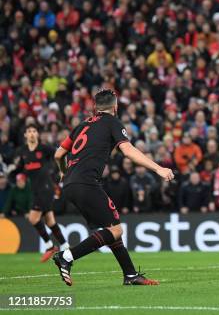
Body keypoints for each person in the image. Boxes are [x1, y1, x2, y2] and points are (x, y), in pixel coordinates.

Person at [53, 89, 174, 286]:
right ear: (115, 106)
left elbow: (59, 154)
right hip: (86, 182)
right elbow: (128, 151)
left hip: (70, 184)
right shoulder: (112, 122)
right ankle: (67, 256)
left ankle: (130, 275)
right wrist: (158, 168)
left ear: (95, 107)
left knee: (112, 228)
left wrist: (62, 172)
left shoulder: (81, 125)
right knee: (116, 230)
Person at [14, 124, 69, 261]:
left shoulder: (44, 149)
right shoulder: (23, 151)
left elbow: (60, 154)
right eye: (29, 131)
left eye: (34, 131)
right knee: (50, 221)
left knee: (33, 218)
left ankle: (50, 246)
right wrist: (14, 174)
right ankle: (66, 246)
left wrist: (62, 170)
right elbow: (21, 167)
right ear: (26, 135)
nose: (32, 133)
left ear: (37, 134)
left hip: (45, 188)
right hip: (35, 189)